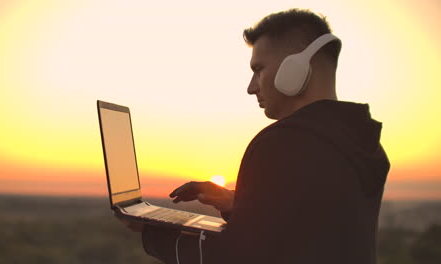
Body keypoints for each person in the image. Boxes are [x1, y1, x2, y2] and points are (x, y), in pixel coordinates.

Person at [118, 8, 390, 264]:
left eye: (258, 70)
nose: (251, 88)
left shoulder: (281, 142)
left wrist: (149, 232)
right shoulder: (362, 142)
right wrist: (238, 204)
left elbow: (235, 257)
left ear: (294, 69)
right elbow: (311, 233)